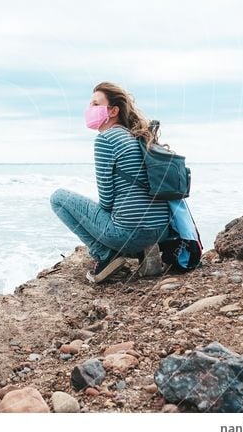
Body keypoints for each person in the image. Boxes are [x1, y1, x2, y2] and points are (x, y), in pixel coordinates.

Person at [50, 82, 173, 284]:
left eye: (95, 104)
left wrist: (100, 223)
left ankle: (105, 255)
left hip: (131, 234)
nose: (89, 110)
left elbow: (107, 200)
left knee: (58, 198)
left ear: (113, 110)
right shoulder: (137, 137)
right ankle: (146, 251)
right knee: (125, 211)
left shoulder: (106, 139)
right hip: (162, 230)